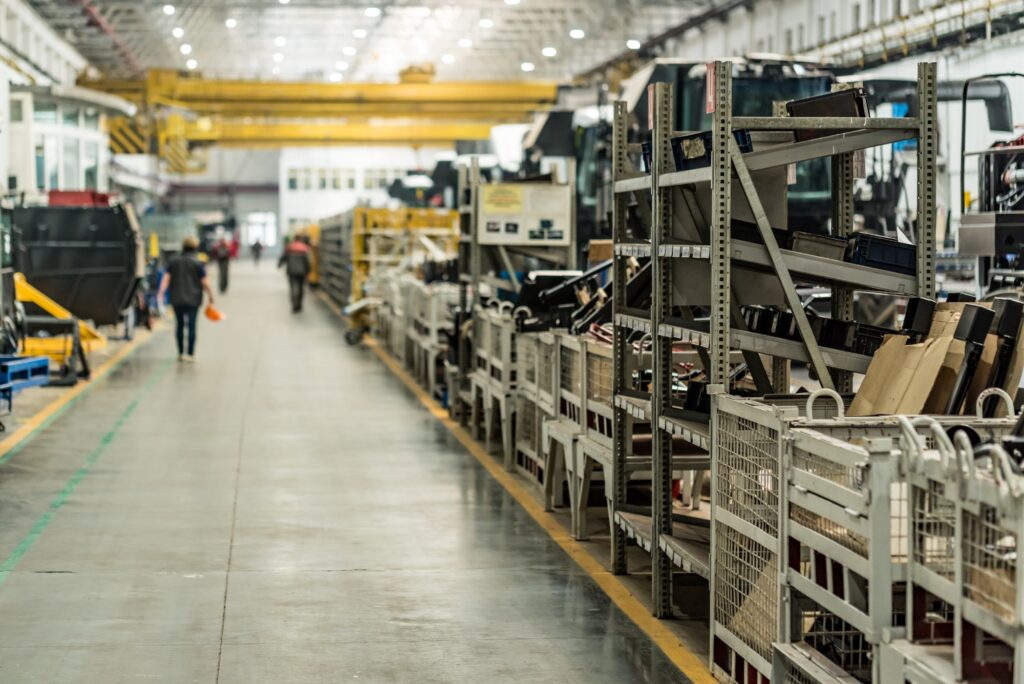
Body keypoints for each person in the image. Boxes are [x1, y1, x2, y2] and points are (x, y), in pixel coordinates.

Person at [158, 236, 215, 362]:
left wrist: (161, 293)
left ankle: (180, 353)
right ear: (195, 247)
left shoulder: (174, 261)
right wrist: (211, 296)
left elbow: (166, 279)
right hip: (193, 300)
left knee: (179, 325)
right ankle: (190, 354)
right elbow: (205, 282)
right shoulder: (198, 263)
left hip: (177, 299)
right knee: (192, 326)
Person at [279, 235, 311, 312]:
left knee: (293, 287)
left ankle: (294, 304)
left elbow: (284, 257)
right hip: (302, 271)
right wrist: (308, 271)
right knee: (301, 288)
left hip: (291, 271)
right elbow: (307, 261)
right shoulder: (304, 248)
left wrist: (279, 264)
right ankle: (299, 304)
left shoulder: (290, 247)